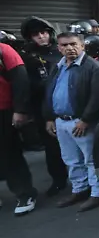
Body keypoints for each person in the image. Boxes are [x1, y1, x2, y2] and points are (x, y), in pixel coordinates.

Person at [44, 32, 99, 212]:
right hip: (61, 121)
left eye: (73, 44)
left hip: (81, 122)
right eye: (64, 45)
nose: (69, 48)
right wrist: (49, 117)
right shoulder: (58, 67)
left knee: (91, 159)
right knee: (71, 159)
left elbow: (97, 98)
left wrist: (85, 120)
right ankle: (80, 189)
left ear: (82, 46)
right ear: (59, 48)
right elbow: (50, 92)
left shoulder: (94, 68)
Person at [19, 16, 68, 196]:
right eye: (36, 34)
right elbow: (24, 84)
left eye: (44, 32)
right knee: (52, 147)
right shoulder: (26, 56)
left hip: (66, 105)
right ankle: (58, 180)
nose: (41, 37)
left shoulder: (60, 51)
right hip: (43, 108)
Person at [0, 41, 38, 216]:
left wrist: (20, 110)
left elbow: (20, 80)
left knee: (9, 153)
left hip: (4, 111)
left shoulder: (4, 50)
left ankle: (25, 194)